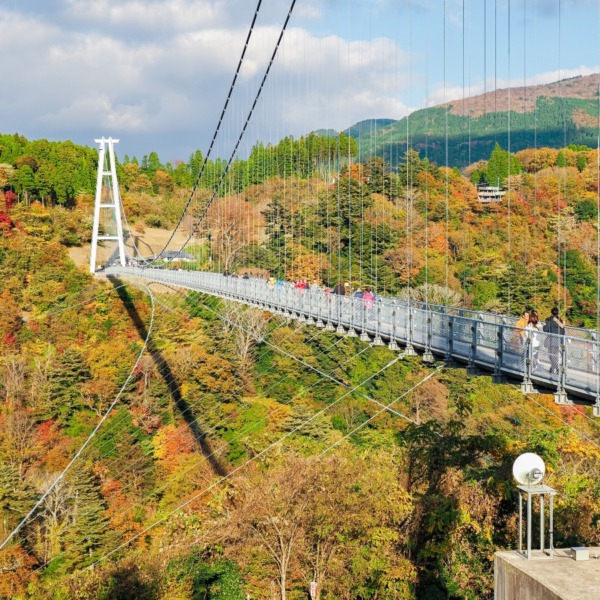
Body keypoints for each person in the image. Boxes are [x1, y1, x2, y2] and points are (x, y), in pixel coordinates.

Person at [544, 307, 565, 374]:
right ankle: (552, 369)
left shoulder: (548, 319)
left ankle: (557, 368)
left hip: (552, 339)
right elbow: (563, 331)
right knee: (555, 355)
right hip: (558, 340)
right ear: (558, 313)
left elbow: (546, 329)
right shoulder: (560, 320)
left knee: (551, 355)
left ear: (551, 312)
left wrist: (544, 326)